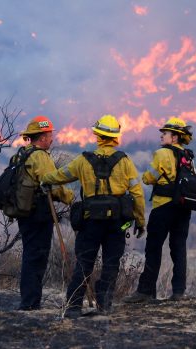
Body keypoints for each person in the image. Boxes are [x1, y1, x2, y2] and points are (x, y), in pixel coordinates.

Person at [41, 114, 145, 318]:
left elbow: (61, 175)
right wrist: (140, 221)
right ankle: (104, 306)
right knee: (111, 264)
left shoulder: (83, 160)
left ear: (97, 135)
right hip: (117, 224)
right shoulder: (125, 161)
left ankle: (72, 307)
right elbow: (137, 194)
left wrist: (45, 180)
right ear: (115, 137)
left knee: (84, 262)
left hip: (90, 222)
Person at [124, 117, 195, 303]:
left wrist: (147, 175)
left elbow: (149, 178)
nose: (162, 136)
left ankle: (145, 292)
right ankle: (178, 292)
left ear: (174, 137)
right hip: (183, 208)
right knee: (178, 248)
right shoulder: (188, 155)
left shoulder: (161, 153)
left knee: (153, 248)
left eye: (165, 134)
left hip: (163, 207)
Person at [15, 115, 74, 311]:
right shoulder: (40, 156)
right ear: (41, 137)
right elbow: (52, 183)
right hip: (38, 213)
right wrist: (71, 197)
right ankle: (30, 303)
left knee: (30, 254)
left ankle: (29, 300)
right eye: (49, 135)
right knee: (37, 257)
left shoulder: (22, 154)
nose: (51, 139)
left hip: (24, 212)